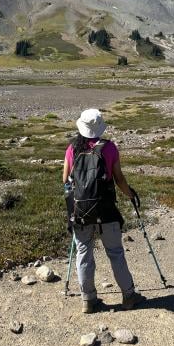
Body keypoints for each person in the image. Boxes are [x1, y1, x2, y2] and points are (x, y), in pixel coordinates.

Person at [63, 108, 144, 313]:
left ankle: (88, 300)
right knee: (115, 252)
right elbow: (119, 180)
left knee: (84, 253)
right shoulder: (109, 148)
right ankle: (128, 295)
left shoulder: (72, 148)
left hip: (81, 211)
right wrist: (131, 195)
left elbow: (65, 181)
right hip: (106, 210)